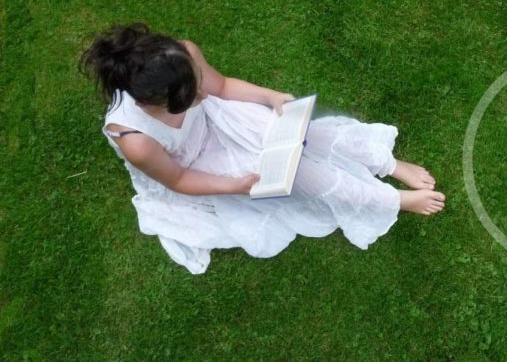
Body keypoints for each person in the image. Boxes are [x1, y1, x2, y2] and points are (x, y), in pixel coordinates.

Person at [80, 23, 445, 274]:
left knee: (305, 136)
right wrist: (234, 186)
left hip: (221, 121)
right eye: (191, 96)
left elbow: (220, 89)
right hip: (199, 162)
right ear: (153, 105)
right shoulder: (137, 141)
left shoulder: (181, 56)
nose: (201, 93)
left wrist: (270, 98)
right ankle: (390, 201)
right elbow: (178, 178)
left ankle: (386, 162)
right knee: (299, 175)